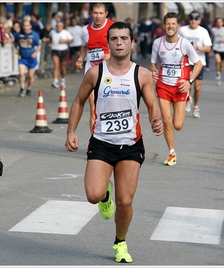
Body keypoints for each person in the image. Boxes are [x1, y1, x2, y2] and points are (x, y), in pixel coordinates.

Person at [65, 21, 163, 263]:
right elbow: (78, 101)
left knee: (125, 201)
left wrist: (156, 120)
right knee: (93, 195)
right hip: (101, 142)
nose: (119, 42)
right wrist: (71, 132)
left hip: (131, 144)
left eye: (123, 38)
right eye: (114, 38)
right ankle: (104, 196)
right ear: (108, 42)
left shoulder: (141, 75)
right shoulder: (96, 72)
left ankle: (120, 242)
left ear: (131, 42)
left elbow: (152, 105)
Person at [151, 12, 202, 166]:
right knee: (166, 121)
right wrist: (153, 71)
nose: (170, 26)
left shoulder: (184, 43)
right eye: (168, 24)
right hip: (163, 86)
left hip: (180, 87)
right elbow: (153, 63)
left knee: (177, 125)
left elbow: (198, 63)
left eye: (173, 24)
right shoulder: (157, 43)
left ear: (178, 26)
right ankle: (171, 153)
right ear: (163, 25)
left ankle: (188, 98)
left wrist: (190, 81)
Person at [76, 3, 114, 133]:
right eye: (95, 13)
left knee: (109, 108)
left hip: (109, 71)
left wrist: (110, 55)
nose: (98, 16)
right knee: (93, 107)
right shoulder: (85, 30)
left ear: (106, 14)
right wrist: (81, 58)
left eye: (101, 13)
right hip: (91, 70)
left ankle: (109, 138)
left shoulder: (112, 27)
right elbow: (85, 46)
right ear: (91, 13)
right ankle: (95, 141)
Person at [178, 11, 212, 118]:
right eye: (191, 19)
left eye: (196, 19)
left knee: (197, 87)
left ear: (199, 21)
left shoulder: (203, 32)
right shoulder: (182, 30)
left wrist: (196, 48)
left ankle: (196, 106)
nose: (193, 21)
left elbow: (208, 48)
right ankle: (188, 99)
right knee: (188, 84)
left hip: (199, 62)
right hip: (186, 62)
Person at [14, 19, 41, 97]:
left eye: (27, 26)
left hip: (31, 58)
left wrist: (35, 53)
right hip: (22, 58)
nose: (25, 27)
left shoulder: (35, 35)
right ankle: (22, 88)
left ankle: (29, 88)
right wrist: (16, 48)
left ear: (30, 26)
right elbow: (15, 42)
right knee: (21, 73)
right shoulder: (19, 34)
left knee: (30, 76)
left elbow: (39, 45)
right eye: (24, 26)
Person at [49, 20, 73, 88]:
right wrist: (50, 43)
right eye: (57, 26)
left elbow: (71, 40)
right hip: (55, 50)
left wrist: (65, 41)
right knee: (56, 65)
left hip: (63, 50)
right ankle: (55, 80)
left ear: (62, 26)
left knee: (63, 67)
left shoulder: (66, 32)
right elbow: (50, 38)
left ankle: (63, 80)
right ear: (56, 26)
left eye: (60, 26)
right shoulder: (52, 32)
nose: (59, 27)